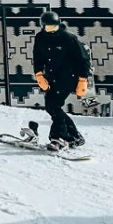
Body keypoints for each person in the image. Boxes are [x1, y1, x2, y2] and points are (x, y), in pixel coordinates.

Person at [32, 12, 90, 151]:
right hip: (52, 76)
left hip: (69, 76)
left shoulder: (68, 38)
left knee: (54, 105)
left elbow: (83, 60)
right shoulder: (40, 38)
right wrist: (39, 74)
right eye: (48, 28)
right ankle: (74, 136)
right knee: (51, 107)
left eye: (53, 27)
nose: (51, 31)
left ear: (59, 25)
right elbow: (38, 57)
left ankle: (60, 137)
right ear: (42, 27)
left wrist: (83, 79)